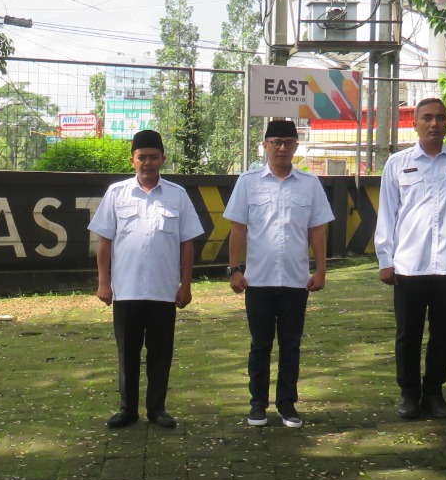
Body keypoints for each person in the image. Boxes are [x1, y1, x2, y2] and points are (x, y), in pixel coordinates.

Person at [374, 97, 446, 420]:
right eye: (427, 118)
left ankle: (435, 393)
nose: (434, 124)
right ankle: (409, 394)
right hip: (409, 264)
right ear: (415, 123)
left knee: (443, 334)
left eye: (440, 118)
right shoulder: (398, 163)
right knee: (407, 335)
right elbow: (387, 214)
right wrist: (385, 258)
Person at [90, 129, 205, 429]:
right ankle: (127, 409)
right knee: (127, 353)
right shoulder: (116, 193)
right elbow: (104, 240)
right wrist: (103, 282)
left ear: (163, 159)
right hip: (126, 290)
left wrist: (186, 285)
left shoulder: (178, 195)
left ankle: (157, 409)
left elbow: (187, 244)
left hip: (163, 291)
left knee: (160, 353)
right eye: (142, 157)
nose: (148, 163)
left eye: (154, 157)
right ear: (132, 160)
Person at [223, 119, 333, 428]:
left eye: (287, 143)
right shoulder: (248, 182)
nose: (281, 148)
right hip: (257, 280)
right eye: (275, 142)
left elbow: (317, 231)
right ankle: (257, 404)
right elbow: (238, 228)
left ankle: (287, 405)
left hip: (296, 281)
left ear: (296, 146)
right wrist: (234, 270)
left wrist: (321, 271)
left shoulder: (310, 184)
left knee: (291, 345)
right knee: (260, 345)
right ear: (265, 146)